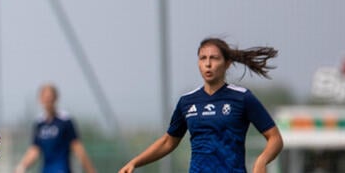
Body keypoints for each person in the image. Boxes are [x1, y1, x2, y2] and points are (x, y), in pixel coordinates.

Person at [118, 37, 284, 173]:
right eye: (203, 58)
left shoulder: (242, 98)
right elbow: (168, 141)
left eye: (214, 58)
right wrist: (135, 162)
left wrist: (261, 161)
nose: (208, 63)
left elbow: (275, 138)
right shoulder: (187, 101)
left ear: (227, 64)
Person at [14, 84, 97, 173]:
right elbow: (35, 149)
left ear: (56, 98)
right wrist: (22, 166)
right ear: (40, 99)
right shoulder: (39, 124)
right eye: (45, 98)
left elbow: (77, 147)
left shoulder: (65, 121)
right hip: (46, 169)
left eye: (50, 98)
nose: (48, 101)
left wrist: (91, 170)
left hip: (62, 169)